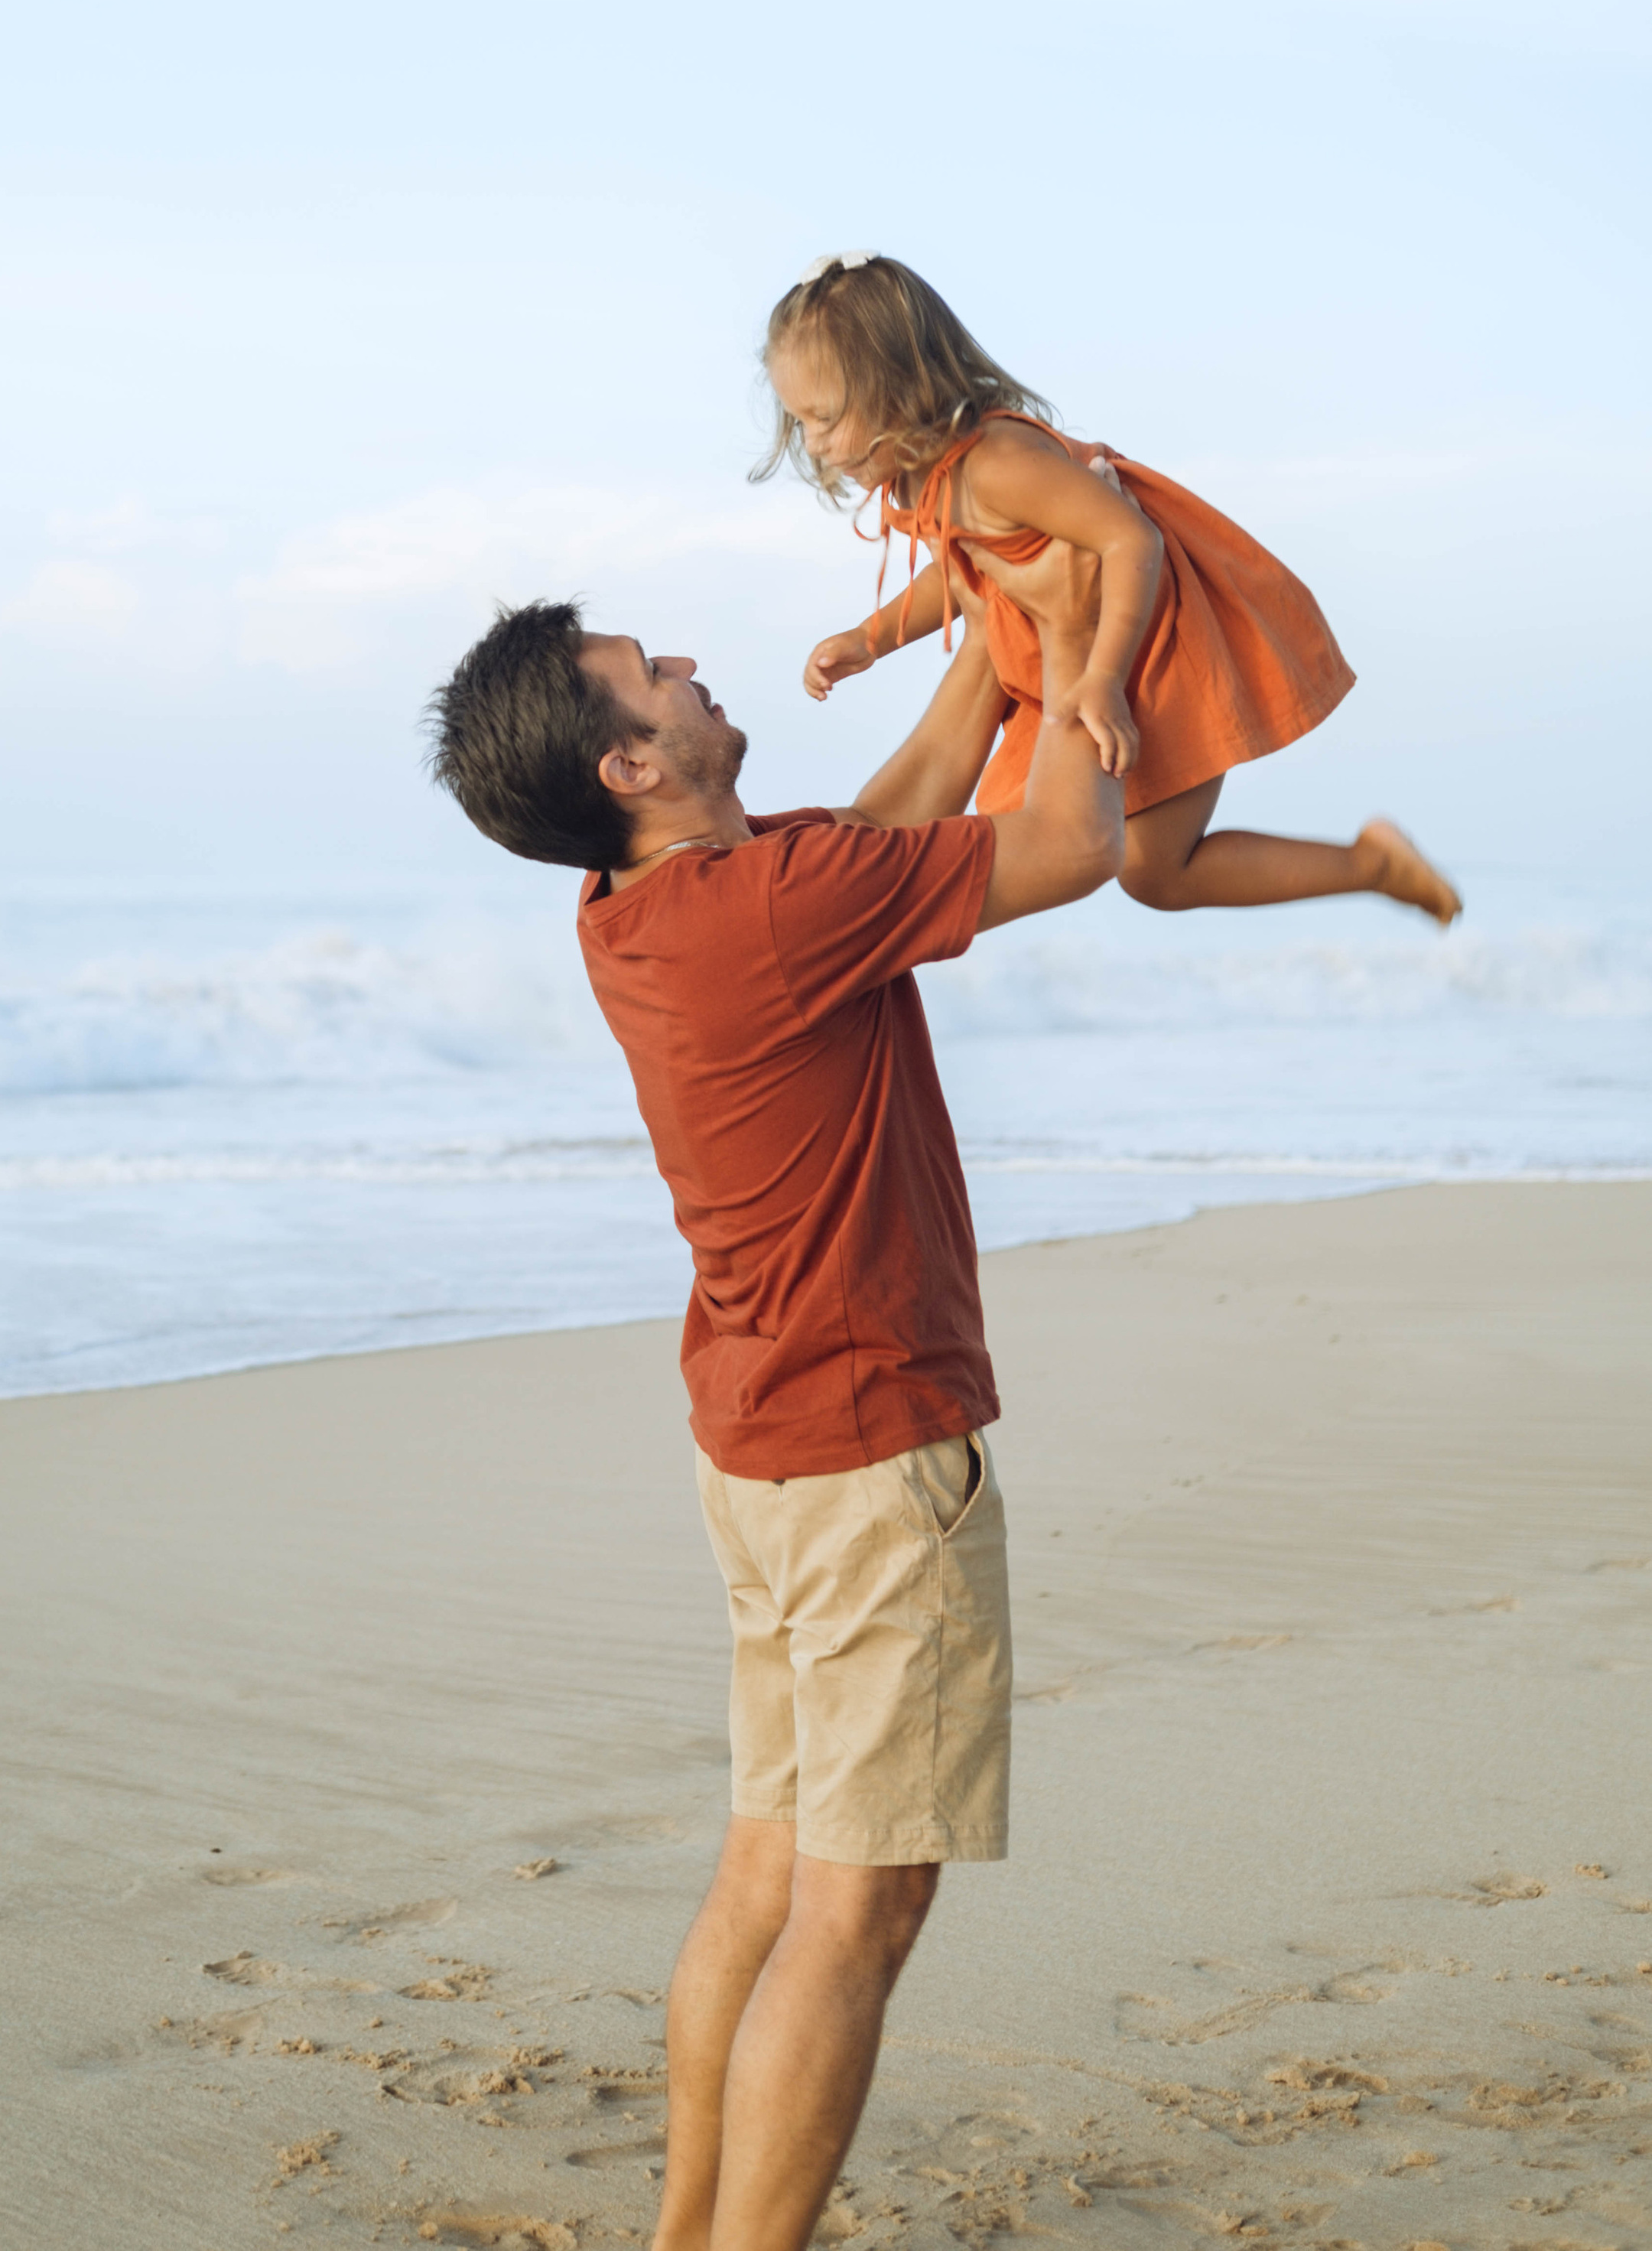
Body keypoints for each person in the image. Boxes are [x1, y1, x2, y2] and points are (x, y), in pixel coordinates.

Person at [426, 558, 1122, 2251]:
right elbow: (1077, 845)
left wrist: (985, 642)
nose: (681, 662)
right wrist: (1095, 635)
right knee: (854, 1918)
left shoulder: (642, 910)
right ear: (630, 767)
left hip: (758, 1456)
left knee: (762, 1878)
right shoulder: (779, 901)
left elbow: (885, 831)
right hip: (872, 1461)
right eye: (645, 673)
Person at [763, 251, 1462, 924]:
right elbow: (964, 567)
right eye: (801, 421)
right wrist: (872, 638)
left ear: (901, 381)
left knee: (1142, 870)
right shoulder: (929, 476)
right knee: (1120, 866)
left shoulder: (997, 464)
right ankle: (1371, 866)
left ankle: (1371, 866)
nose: (815, 443)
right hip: (1082, 648)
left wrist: (1102, 678)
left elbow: (1133, 539)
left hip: (1153, 643)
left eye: (826, 417)